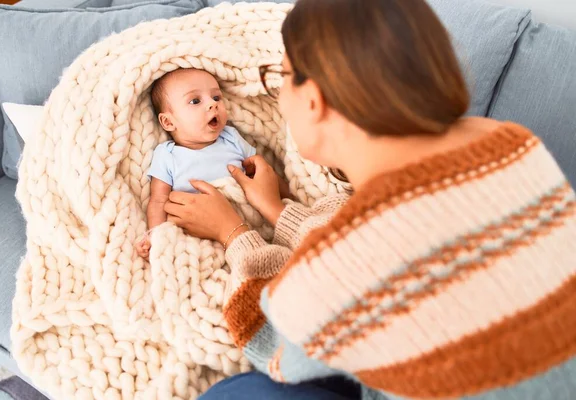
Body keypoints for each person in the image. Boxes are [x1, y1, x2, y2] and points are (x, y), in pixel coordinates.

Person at [164, 0, 576, 398]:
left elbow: (268, 338)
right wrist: (277, 210)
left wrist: (233, 231)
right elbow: (398, 248)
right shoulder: (508, 140)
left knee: (240, 392)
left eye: (283, 76)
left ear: (314, 100)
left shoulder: (353, 260)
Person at [135, 68, 257, 259]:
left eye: (216, 97)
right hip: (193, 230)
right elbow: (159, 200)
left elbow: (260, 170)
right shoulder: (167, 155)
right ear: (168, 122)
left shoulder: (231, 138)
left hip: (241, 223)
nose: (212, 105)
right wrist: (155, 235)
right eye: (195, 101)